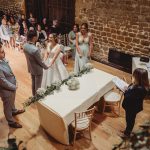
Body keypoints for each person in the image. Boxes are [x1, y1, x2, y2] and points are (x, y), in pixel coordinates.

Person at [0, 43, 25, 128]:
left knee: (12, 101)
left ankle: (14, 111)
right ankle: (10, 121)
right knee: (7, 105)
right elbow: (2, 81)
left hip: (11, 86)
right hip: (6, 89)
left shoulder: (2, 59)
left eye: (3, 51)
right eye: (2, 52)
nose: (4, 53)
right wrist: (14, 86)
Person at [122, 68, 149, 137]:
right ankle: (128, 130)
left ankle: (127, 133)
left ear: (138, 78)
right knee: (130, 119)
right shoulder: (140, 85)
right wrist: (128, 87)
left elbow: (128, 97)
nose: (132, 76)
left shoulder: (140, 90)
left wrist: (125, 91)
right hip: (133, 106)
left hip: (132, 108)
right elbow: (131, 87)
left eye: (133, 76)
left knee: (130, 120)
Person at [23, 30, 49, 96]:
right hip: (38, 69)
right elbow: (40, 62)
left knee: (33, 83)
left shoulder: (25, 46)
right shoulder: (35, 49)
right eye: (37, 35)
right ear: (34, 37)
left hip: (31, 68)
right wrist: (46, 67)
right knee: (38, 86)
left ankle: (33, 96)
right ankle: (37, 100)